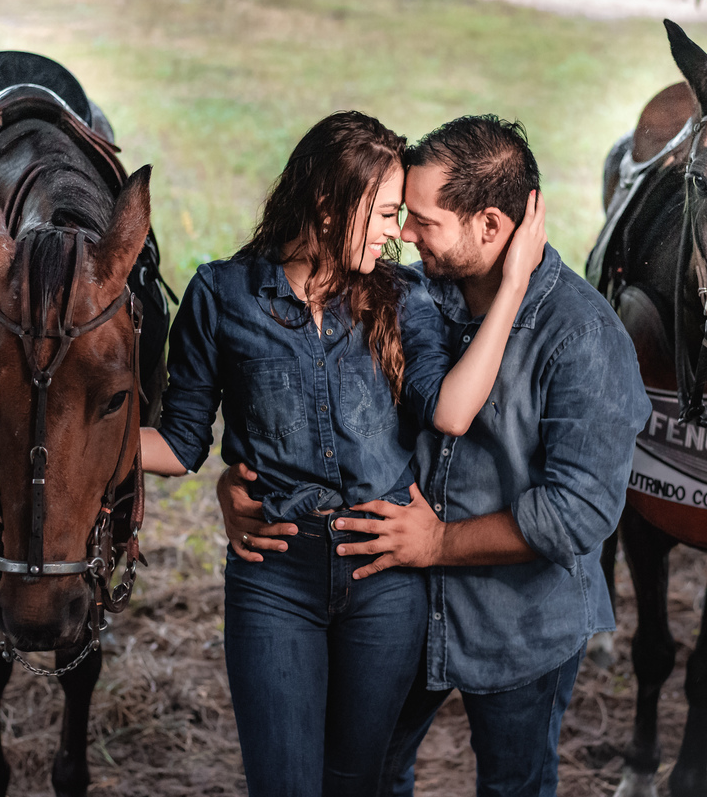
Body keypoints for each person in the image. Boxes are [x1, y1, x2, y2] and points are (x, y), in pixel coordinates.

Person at [217, 115, 651, 796]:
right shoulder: (407, 295)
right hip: (402, 605)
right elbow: (327, 403)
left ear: (490, 225)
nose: (405, 236)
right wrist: (243, 481)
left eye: (423, 221)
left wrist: (439, 542)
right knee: (373, 776)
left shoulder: (583, 338)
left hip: (520, 625)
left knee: (513, 786)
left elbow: (577, 512)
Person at [140, 111, 547, 797]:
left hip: (383, 580)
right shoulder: (221, 295)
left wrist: (513, 285)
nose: (398, 232)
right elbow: (181, 443)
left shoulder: (402, 297)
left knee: (356, 783)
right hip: (275, 578)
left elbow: (450, 409)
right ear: (329, 207)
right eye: (386, 214)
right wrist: (72, 446)